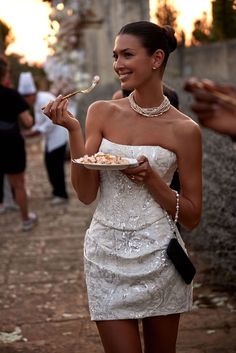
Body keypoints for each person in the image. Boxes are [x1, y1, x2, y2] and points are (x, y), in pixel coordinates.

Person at [43, 21, 202, 353]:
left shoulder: (185, 131)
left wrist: (154, 181)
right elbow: (86, 194)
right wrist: (72, 129)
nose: (117, 64)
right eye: (116, 55)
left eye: (127, 55)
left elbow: (191, 216)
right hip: (105, 254)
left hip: (160, 258)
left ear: (156, 58)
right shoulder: (101, 112)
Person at [18, 72, 69, 205]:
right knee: (50, 165)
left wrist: (33, 132)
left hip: (58, 136)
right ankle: (56, 191)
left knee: (56, 166)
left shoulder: (44, 99)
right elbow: (39, 123)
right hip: (50, 139)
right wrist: (33, 129)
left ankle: (61, 194)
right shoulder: (36, 102)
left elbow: (50, 121)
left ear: (31, 94)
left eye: (25, 97)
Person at [0, 56, 37, 231]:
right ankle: (25, 220)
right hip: (11, 143)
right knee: (19, 184)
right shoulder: (12, 95)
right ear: (5, 74)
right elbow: (28, 122)